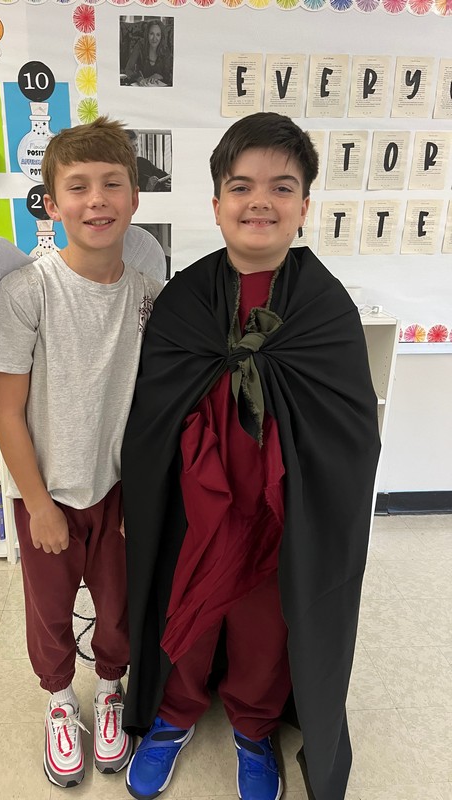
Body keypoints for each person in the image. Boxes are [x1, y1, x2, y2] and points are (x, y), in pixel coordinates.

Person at [121, 112, 381, 800]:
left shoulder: (325, 308)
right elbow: (152, 410)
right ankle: (176, 712)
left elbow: (351, 429)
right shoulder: (183, 299)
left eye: (281, 187)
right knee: (190, 607)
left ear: (304, 206)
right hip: (197, 504)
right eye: (241, 186)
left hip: (279, 511)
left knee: (265, 623)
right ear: (216, 204)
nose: (260, 202)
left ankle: (254, 724)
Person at [0, 117, 163, 789]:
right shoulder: (26, 293)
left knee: (118, 605)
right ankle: (60, 699)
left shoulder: (148, 296)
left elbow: (156, 404)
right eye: (78, 187)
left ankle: (110, 688)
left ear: (134, 198)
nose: (97, 200)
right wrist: (39, 505)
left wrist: (143, 497)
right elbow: (6, 411)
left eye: (112, 184)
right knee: (50, 610)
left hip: (118, 492)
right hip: (45, 490)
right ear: (52, 204)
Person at [124, 19, 173, 87]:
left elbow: (170, 75)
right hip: (141, 86)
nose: (154, 38)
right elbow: (128, 69)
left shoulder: (165, 50)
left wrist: (159, 76)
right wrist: (139, 79)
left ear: (161, 37)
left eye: (158, 35)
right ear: (147, 34)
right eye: (151, 34)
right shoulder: (140, 45)